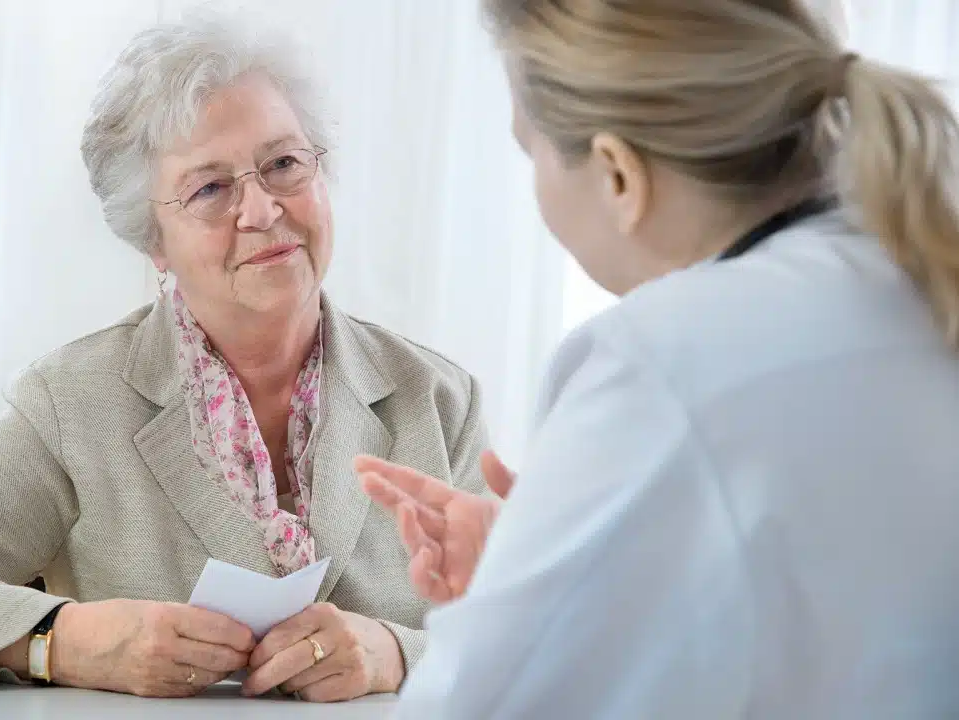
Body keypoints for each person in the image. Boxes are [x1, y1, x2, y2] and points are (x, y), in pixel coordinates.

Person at [358, 0, 959, 717]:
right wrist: (574, 581)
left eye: (531, 151)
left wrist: (532, 600)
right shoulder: (913, 271)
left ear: (617, 173)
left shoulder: (659, 365)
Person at [0, 12, 490, 702]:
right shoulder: (76, 402)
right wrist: (62, 641)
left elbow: (526, 628)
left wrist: (399, 652)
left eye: (283, 164)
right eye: (210, 189)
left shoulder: (438, 398)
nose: (261, 209)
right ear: (155, 243)